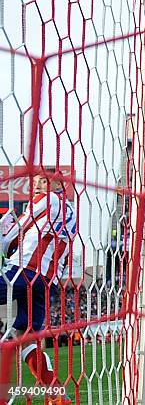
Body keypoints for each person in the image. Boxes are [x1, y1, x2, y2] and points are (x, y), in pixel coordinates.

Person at [1, 170, 75, 404]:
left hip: (24, 270)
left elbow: (10, 236)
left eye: (43, 181)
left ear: (57, 184)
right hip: (46, 282)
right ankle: (57, 396)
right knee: (27, 337)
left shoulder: (49, 200)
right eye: (34, 183)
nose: (37, 187)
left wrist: (5, 235)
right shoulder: (70, 210)